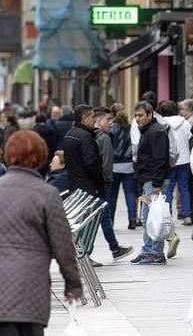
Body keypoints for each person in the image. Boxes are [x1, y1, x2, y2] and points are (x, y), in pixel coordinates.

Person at [0, 130, 83, 336]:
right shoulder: (47, 193)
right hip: (32, 284)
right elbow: (63, 246)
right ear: (40, 156)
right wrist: (73, 284)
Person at [62, 104, 131, 262]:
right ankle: (85, 255)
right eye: (92, 117)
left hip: (75, 185)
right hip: (89, 187)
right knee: (89, 224)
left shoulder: (70, 134)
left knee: (93, 219)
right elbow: (91, 163)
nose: (94, 120)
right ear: (85, 118)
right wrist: (100, 183)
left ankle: (108, 249)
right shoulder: (85, 137)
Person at [132, 101, 173, 265]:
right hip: (147, 179)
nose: (137, 119)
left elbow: (160, 159)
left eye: (140, 115)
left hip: (153, 180)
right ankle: (148, 249)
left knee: (153, 217)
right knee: (147, 216)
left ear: (150, 115)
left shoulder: (156, 132)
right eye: (135, 115)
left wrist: (156, 183)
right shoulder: (148, 130)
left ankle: (155, 252)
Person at [159, 100, 193, 225]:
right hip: (184, 159)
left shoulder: (161, 123)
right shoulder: (184, 122)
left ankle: (167, 216)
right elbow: (190, 137)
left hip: (169, 160)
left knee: (168, 188)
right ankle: (187, 215)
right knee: (184, 188)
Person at [109, 103, 138, 229]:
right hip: (128, 165)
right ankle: (132, 220)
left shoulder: (111, 129)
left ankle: (110, 221)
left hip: (114, 166)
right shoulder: (131, 128)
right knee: (130, 193)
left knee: (112, 195)